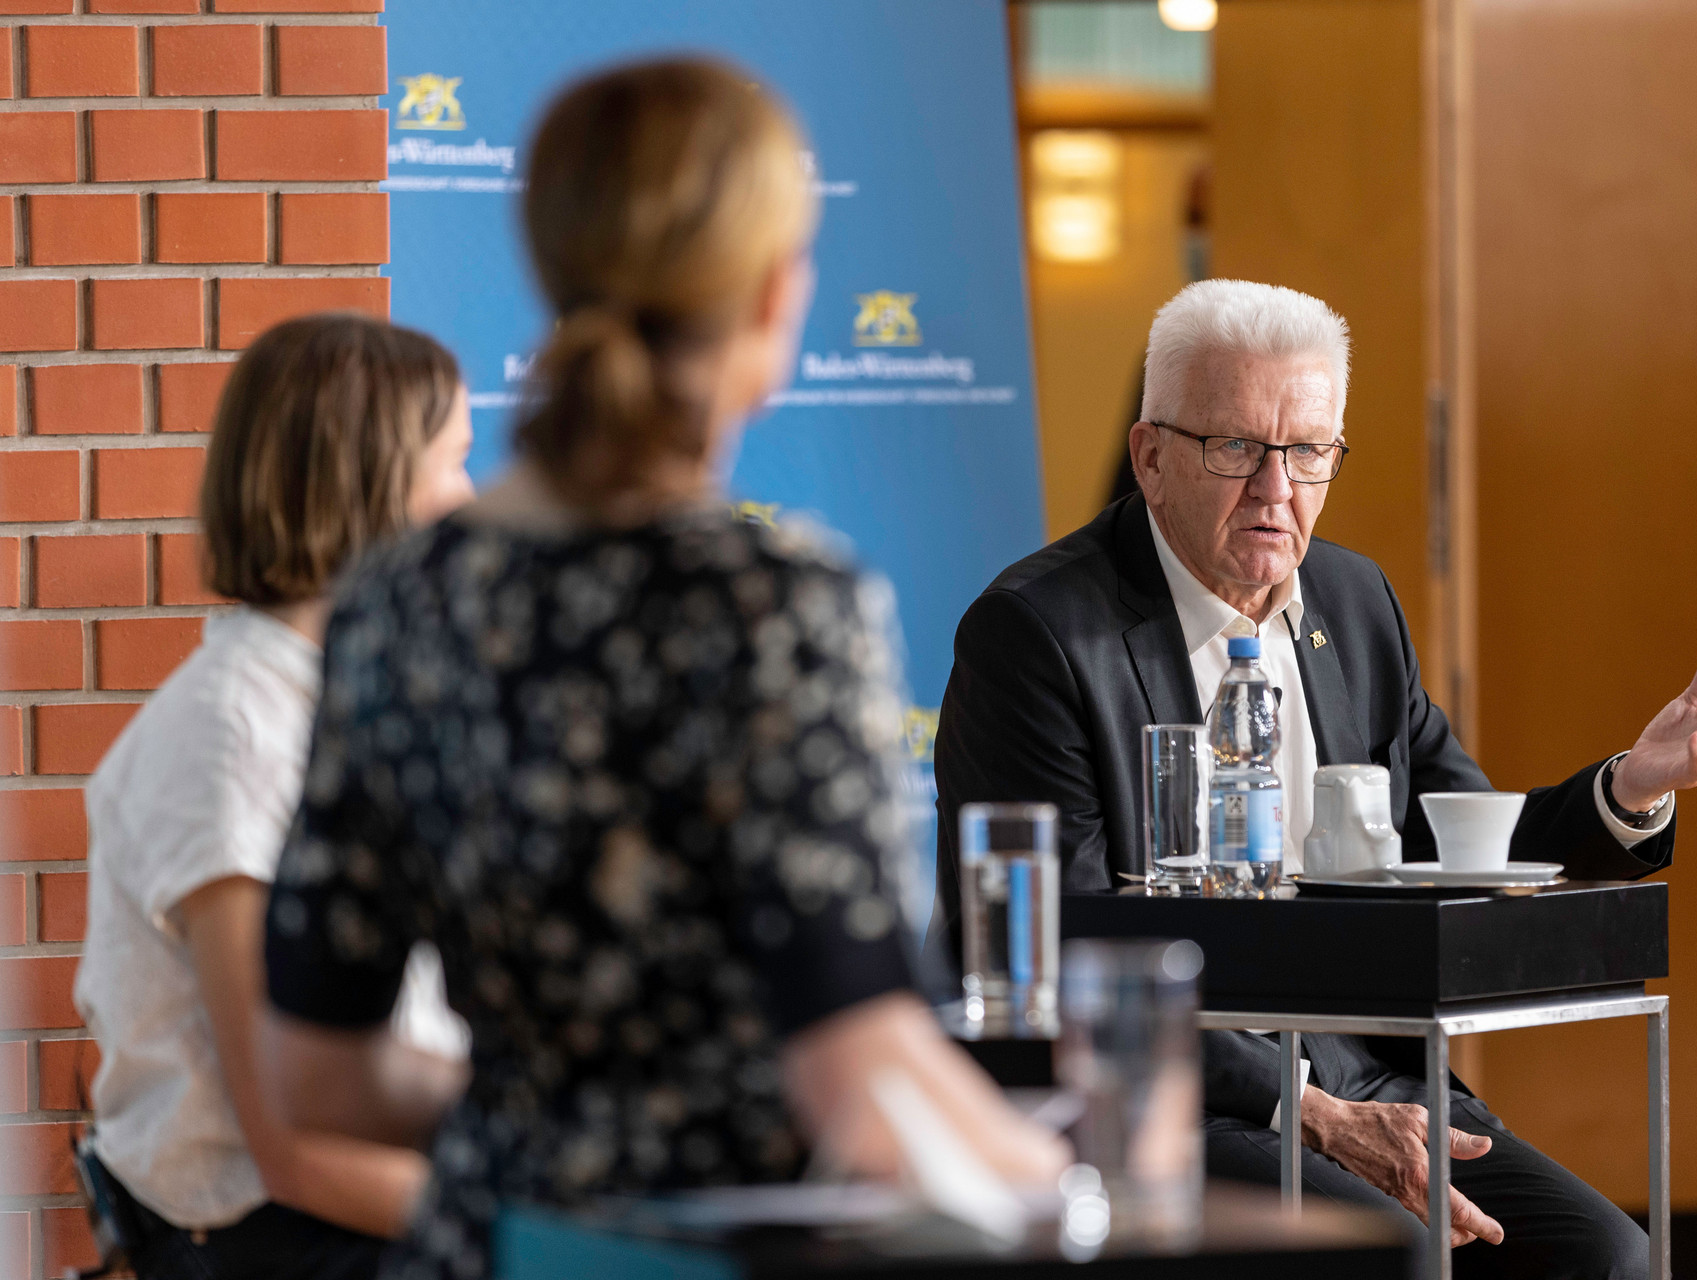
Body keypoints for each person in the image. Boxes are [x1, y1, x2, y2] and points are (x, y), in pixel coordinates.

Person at [254, 58, 1069, 1280]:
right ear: (772, 296)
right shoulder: (777, 600)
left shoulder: (392, 601)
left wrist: (550, 1114)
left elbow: (316, 1076)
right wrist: (1064, 1182)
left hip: (484, 1247)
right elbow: (859, 1072)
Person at [932, 278, 1697, 1278]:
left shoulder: (1355, 599)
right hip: (1170, 1095)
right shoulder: (1036, 635)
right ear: (1151, 456)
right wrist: (1312, 1113)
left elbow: (1458, 843)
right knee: (1392, 1258)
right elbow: (1054, 943)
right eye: (1237, 447)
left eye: (1308, 452)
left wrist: (1628, 788)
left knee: (1606, 1256)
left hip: (1373, 1072)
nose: (1276, 490)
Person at [73, 313, 479, 1280]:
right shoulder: (231, 733)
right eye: (455, 462)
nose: (471, 502)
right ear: (369, 483)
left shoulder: (339, 701)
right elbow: (294, 1144)